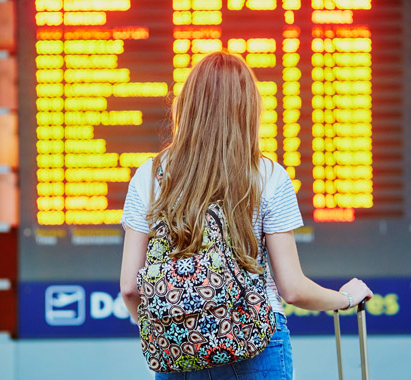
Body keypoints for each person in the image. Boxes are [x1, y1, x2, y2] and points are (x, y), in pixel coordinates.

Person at [120, 51, 373, 380]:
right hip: (258, 346)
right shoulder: (268, 176)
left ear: (187, 105)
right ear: (249, 108)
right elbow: (293, 289)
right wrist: (345, 298)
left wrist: (177, 329)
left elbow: (130, 288)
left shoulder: (147, 176)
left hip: (179, 354)